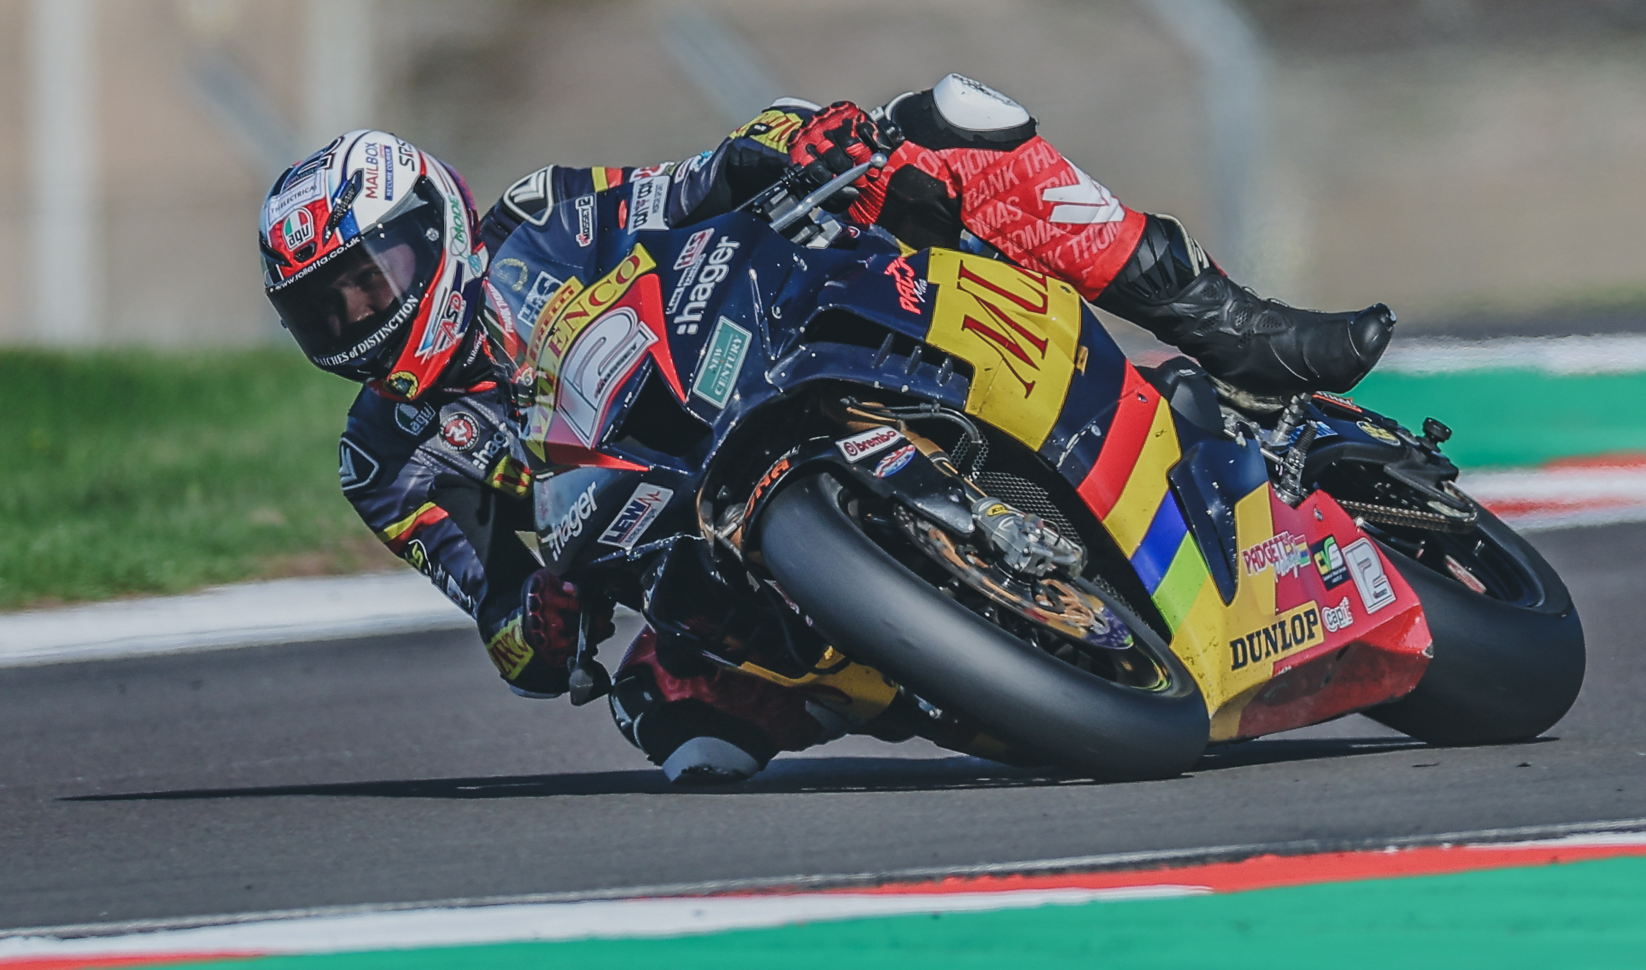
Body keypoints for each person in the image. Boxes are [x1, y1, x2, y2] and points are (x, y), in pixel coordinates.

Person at [259, 77, 1395, 785]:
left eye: (372, 279)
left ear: (437, 224)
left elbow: (689, 183)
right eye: (330, 308)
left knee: (954, 123)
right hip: (681, 551)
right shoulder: (388, 459)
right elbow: (502, 623)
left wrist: (786, 144)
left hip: (766, 360)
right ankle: (982, 653)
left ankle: (1232, 327)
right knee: (681, 732)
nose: (362, 316)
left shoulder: (541, 219)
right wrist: (539, 612)